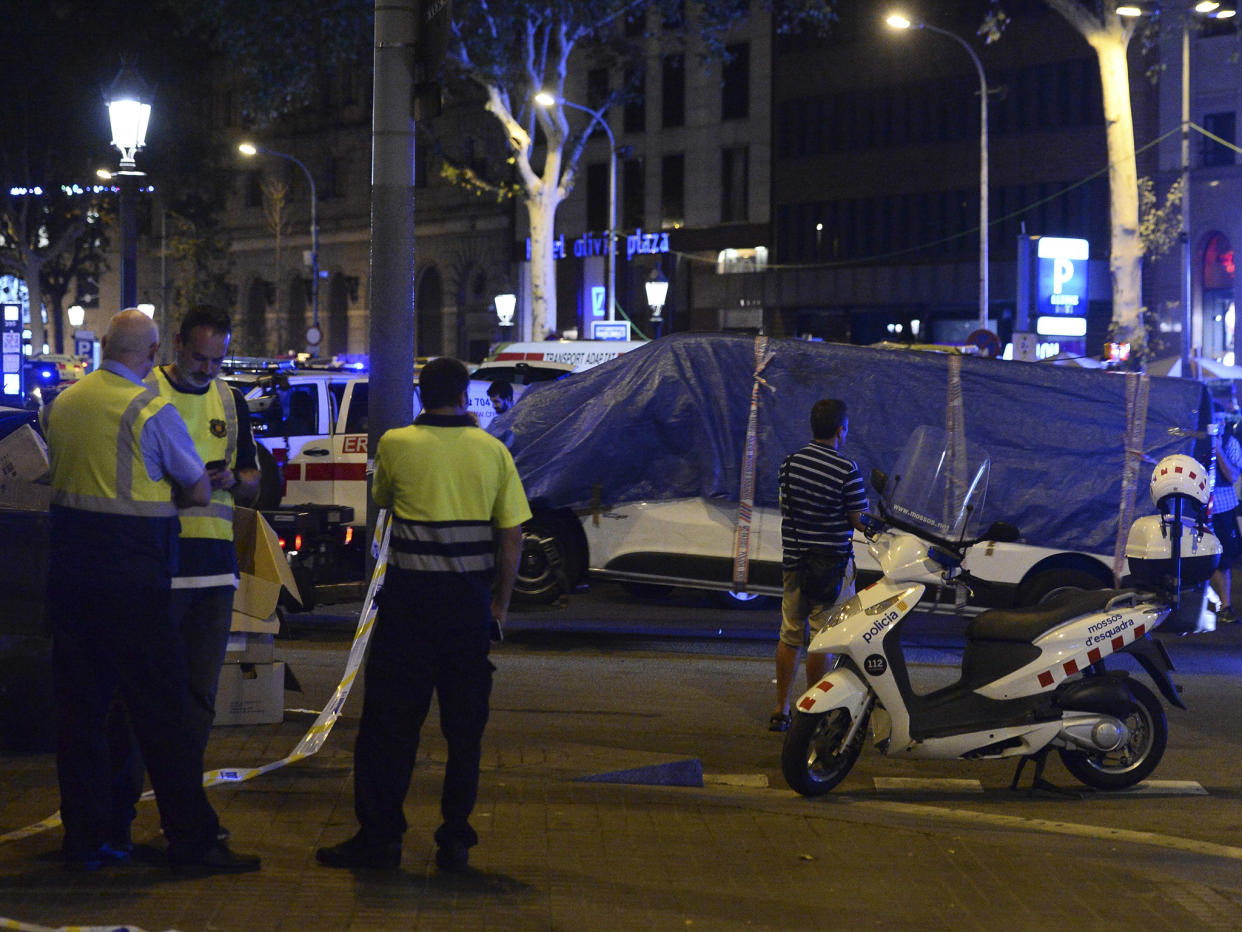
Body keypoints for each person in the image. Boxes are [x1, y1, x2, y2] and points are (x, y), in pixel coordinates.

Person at [40, 308, 260, 874]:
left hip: (70, 580)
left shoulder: (64, 404)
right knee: (164, 715)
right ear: (158, 348)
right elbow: (191, 489)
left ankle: (87, 840)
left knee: (83, 718)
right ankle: (191, 839)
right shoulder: (149, 409)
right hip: (135, 582)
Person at [317, 356, 531, 873]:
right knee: (464, 732)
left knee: (388, 728)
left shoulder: (396, 444)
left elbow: (384, 501)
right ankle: (454, 837)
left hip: (409, 610)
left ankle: (381, 838)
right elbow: (512, 536)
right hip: (466, 611)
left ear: (422, 395)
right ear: (464, 396)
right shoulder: (493, 451)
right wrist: (499, 605)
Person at [103, 305, 262, 838]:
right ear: (175, 344)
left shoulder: (230, 401)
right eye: (199, 356)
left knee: (197, 703)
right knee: (138, 699)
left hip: (213, 574)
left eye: (218, 358)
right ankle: (119, 813)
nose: (209, 368)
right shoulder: (144, 393)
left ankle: (183, 817)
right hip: (159, 569)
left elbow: (253, 480)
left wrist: (232, 484)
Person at [770, 398, 868, 732]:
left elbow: (787, 507)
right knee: (821, 639)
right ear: (841, 429)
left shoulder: (789, 463)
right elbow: (858, 520)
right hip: (830, 568)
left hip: (795, 563)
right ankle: (811, 715)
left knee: (790, 634)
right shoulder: (846, 469)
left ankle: (781, 709)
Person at [1209, 412, 1242, 624]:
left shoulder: (1230, 442)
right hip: (1199, 509)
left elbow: (1232, 476)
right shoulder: (1196, 440)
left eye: (1221, 420)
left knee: (1224, 560)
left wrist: (1218, 449)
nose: (1218, 424)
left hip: (1223, 508)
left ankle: (1225, 605)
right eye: (1214, 419)